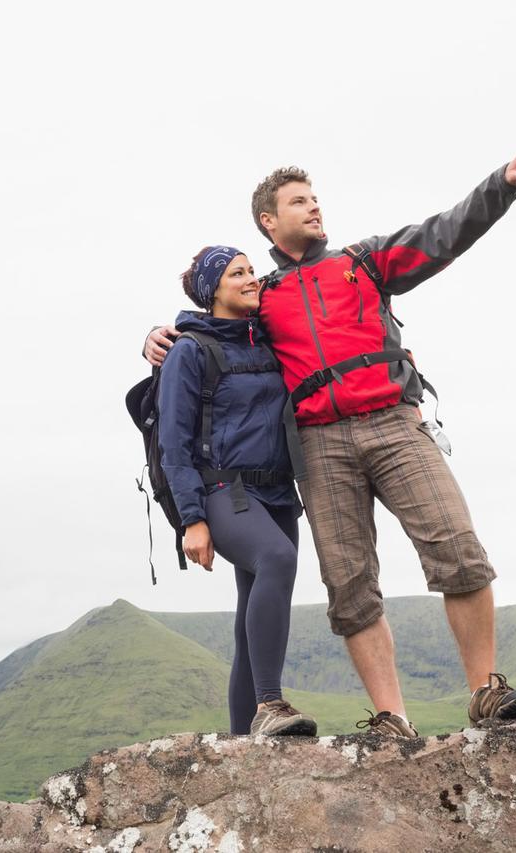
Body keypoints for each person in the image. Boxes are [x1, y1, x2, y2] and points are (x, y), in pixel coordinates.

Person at [145, 148, 516, 736]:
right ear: (269, 220)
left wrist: (501, 185)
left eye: (315, 199)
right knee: (349, 586)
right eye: (298, 201)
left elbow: (443, 235)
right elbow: (214, 328)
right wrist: (157, 336)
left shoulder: (362, 262)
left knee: (456, 547)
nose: (314, 208)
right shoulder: (262, 299)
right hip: (317, 445)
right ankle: (392, 720)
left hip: (394, 423)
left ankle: (487, 695)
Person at [157, 244, 316, 738]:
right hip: (221, 490)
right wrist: (192, 519)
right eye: (237, 274)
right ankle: (270, 703)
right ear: (213, 291)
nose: (252, 280)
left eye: (252, 271)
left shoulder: (267, 340)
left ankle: (245, 746)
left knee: (251, 618)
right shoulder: (189, 350)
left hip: (277, 494)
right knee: (276, 559)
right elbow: (174, 444)